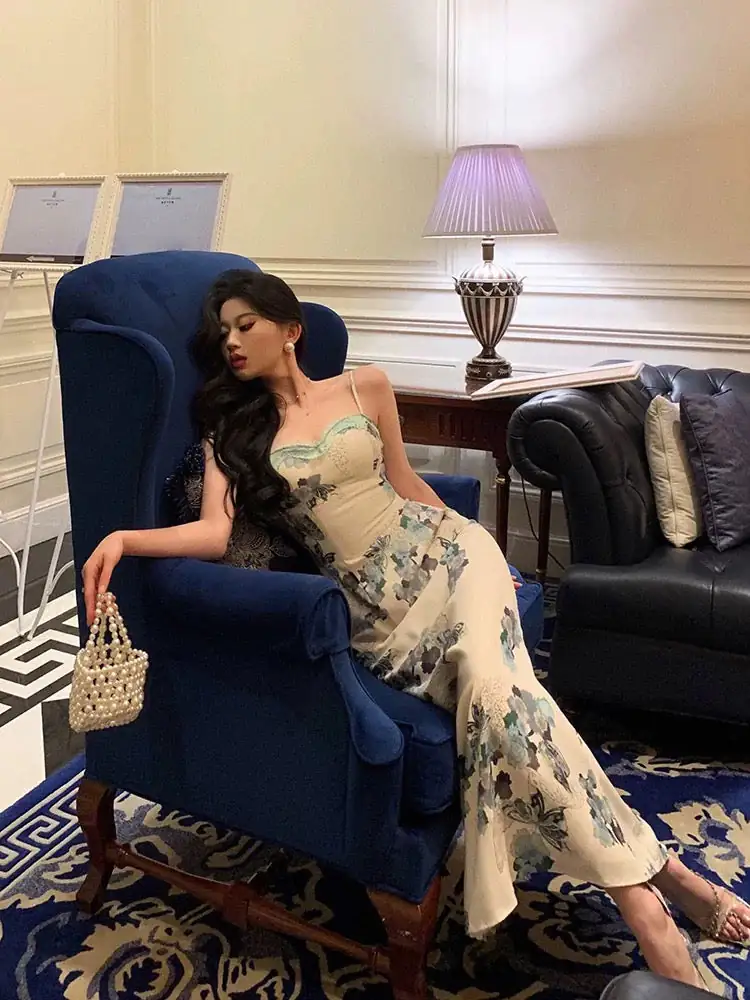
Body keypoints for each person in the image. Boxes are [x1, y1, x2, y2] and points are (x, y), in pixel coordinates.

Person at [82, 270, 750, 988]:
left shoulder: (365, 385)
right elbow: (214, 535)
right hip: (378, 616)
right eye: (223, 333)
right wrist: (122, 538)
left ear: (290, 329)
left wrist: (487, 552)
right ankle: (664, 873)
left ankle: (645, 911)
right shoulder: (234, 433)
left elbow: (406, 484)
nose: (233, 342)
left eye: (247, 324)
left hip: (450, 558)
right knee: (507, 703)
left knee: (493, 691)